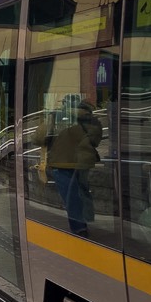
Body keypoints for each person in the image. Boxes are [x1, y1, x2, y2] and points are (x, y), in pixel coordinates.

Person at [40, 99, 103, 235]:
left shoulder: (62, 121)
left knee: (72, 196)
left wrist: (51, 119)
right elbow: (95, 140)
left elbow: (39, 138)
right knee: (81, 192)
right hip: (81, 163)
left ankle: (79, 227)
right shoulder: (93, 123)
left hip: (62, 163)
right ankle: (84, 221)